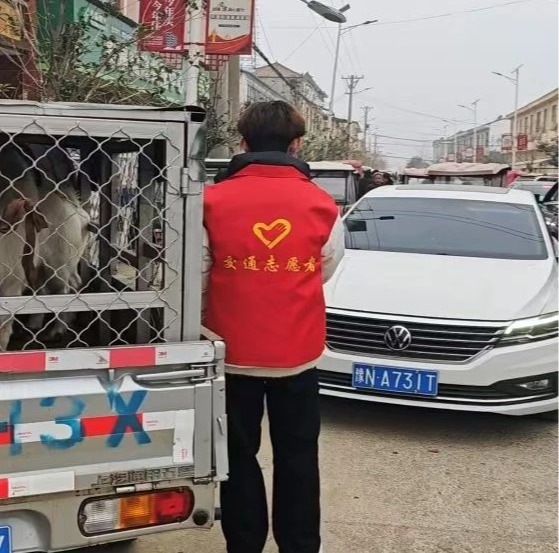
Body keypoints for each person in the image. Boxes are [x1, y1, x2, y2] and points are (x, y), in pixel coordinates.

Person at [202, 101, 344, 553]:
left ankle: (244, 544)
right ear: (296, 144)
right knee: (298, 454)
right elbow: (324, 269)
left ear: (242, 143)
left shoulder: (211, 201)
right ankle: (299, 545)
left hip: (231, 354)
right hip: (297, 355)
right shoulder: (323, 205)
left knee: (238, 454)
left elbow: (199, 273)